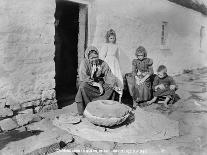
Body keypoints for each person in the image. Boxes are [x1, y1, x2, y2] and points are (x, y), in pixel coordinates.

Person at [75, 46, 122, 116]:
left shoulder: (102, 63)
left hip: (99, 84)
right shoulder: (84, 63)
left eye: (96, 57)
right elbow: (84, 77)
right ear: (88, 58)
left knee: (110, 88)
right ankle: (88, 108)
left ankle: (103, 108)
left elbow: (109, 75)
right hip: (88, 83)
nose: (94, 59)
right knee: (82, 86)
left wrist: (114, 85)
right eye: (92, 58)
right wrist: (97, 85)